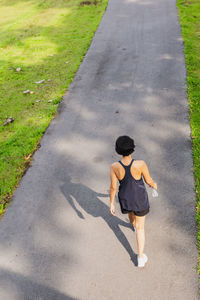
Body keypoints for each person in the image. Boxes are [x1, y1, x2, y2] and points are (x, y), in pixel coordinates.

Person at [109, 135, 157, 267]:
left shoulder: (114, 167)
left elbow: (113, 187)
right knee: (141, 228)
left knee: (131, 213)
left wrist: (111, 203)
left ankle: (134, 226)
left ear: (117, 150)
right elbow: (148, 181)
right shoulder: (140, 164)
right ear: (132, 149)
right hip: (140, 199)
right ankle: (140, 258)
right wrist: (154, 185)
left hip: (125, 199)